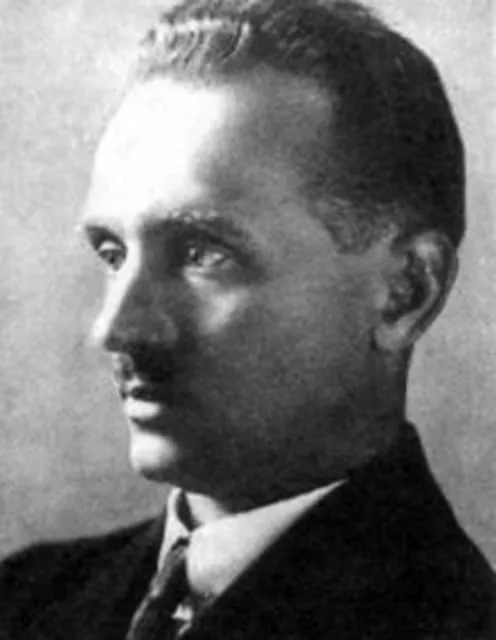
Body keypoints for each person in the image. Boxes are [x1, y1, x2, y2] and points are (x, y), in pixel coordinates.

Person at [1, 0, 494, 638]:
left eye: (203, 254)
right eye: (113, 253)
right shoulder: (24, 601)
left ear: (405, 292)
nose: (115, 329)